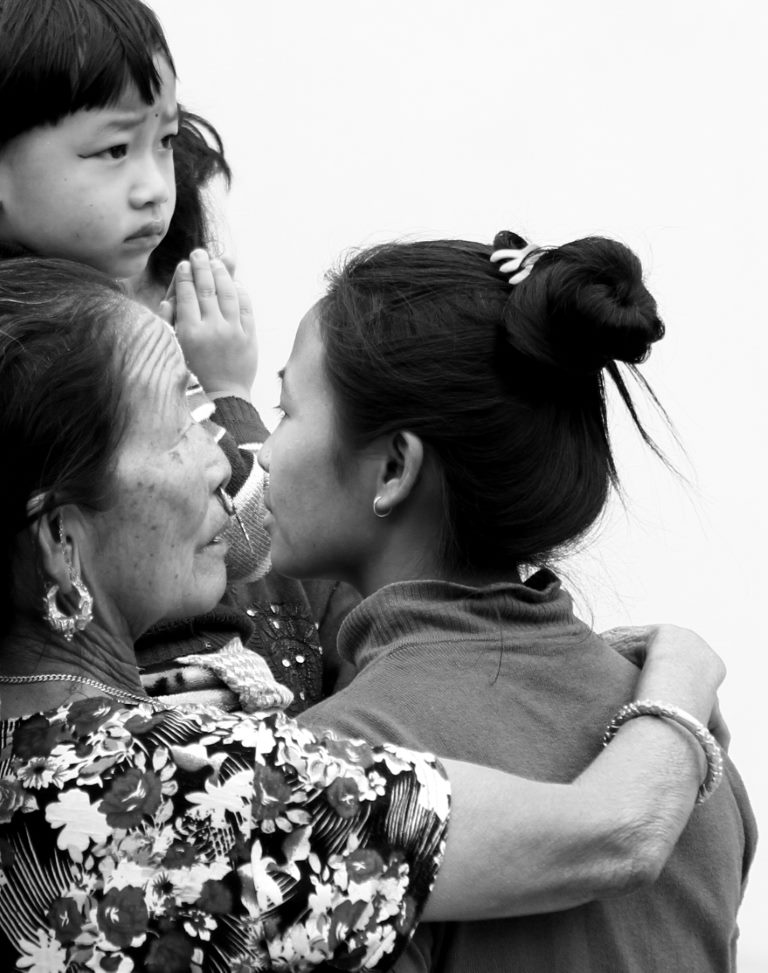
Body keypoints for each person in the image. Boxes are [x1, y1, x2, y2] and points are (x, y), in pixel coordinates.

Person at [0, 256, 731, 972]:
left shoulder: (318, 742)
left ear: (394, 469)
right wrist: (684, 672)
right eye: (178, 428)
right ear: (61, 537)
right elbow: (620, 831)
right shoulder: (225, 787)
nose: (229, 453)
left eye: (279, 411)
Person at [257, 232, 757, 971]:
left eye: (285, 408)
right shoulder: (686, 759)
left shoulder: (347, 764)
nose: (262, 450)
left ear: (394, 465)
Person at [0, 0, 354, 712]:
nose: (153, 187)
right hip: (150, 712)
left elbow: (252, 542)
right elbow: (257, 540)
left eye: (163, 142)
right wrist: (230, 397)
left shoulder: (158, 326)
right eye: (113, 150)